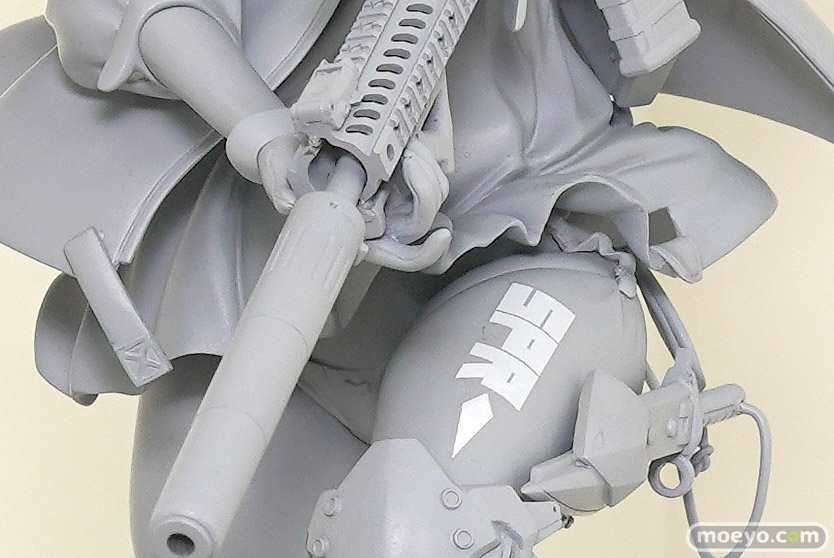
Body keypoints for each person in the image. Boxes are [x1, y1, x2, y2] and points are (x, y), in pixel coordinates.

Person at [11, 0, 786, 555]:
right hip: (270, 279)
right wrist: (264, 131)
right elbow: (127, 13)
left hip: (527, 235)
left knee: (415, 522)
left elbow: (646, 55)